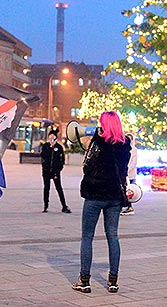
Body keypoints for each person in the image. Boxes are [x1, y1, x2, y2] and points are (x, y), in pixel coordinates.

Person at [72, 111, 131, 294]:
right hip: (114, 196)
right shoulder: (125, 145)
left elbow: (86, 166)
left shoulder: (98, 142)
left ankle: (85, 281)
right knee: (112, 236)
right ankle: (113, 281)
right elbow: (123, 170)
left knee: (87, 237)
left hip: (95, 194)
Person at [40, 129, 71, 213]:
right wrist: (50, 147)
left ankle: (64, 206)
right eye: (50, 138)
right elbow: (43, 155)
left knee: (59, 188)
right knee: (46, 188)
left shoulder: (59, 147)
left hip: (55, 172)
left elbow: (62, 160)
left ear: (56, 139)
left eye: (53, 138)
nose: (51, 140)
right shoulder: (45, 146)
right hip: (46, 171)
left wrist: (58, 170)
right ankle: (45, 206)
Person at [121, 133, 138, 216]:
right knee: (122, 190)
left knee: (130, 191)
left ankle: (129, 207)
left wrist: (127, 170)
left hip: (130, 175)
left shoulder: (134, 150)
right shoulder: (122, 148)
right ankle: (122, 206)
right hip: (122, 174)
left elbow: (133, 163)